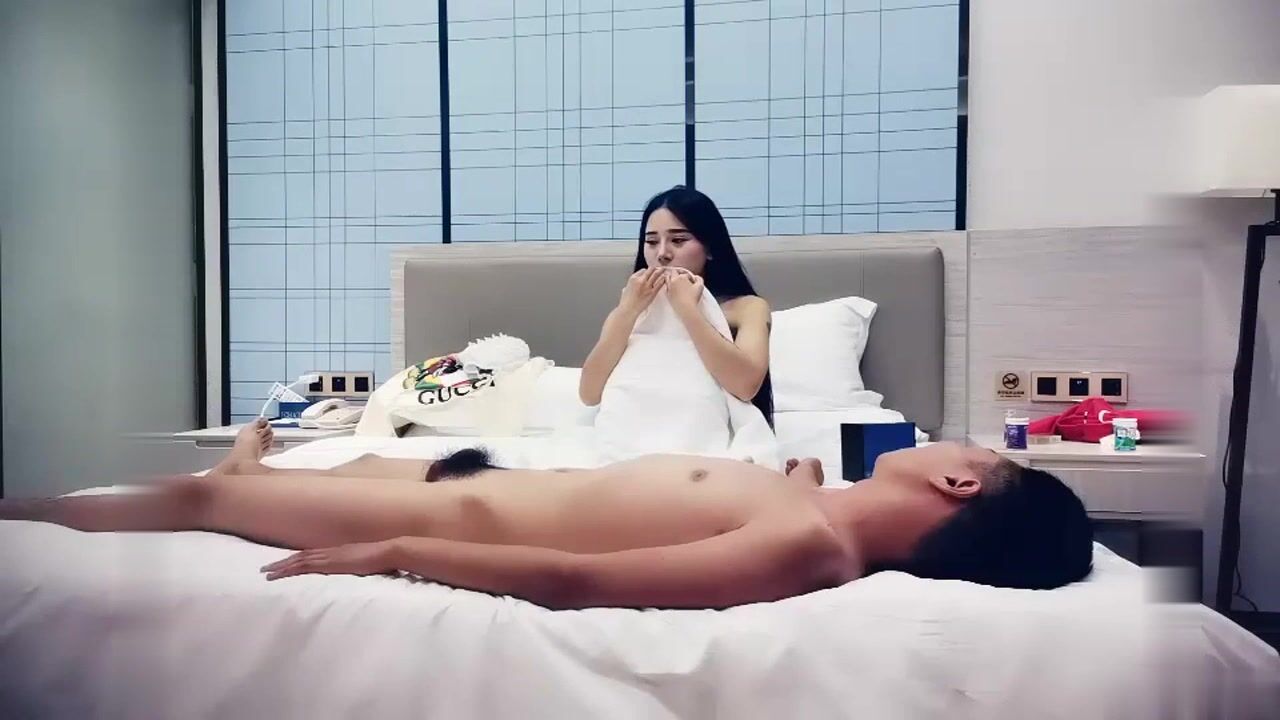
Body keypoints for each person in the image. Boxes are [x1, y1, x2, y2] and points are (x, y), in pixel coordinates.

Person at [0, 429, 1093, 610]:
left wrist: (393, 552)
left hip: (468, 512)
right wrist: (795, 470)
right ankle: (254, 462)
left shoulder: (810, 546)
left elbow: (577, 582)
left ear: (960, 489)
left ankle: (29, 510)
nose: (955, 443)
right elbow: (758, 497)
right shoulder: (816, 508)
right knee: (341, 459)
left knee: (205, 501)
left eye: (974, 452)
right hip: (485, 476)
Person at [579, 186, 775, 425]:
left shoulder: (747, 308)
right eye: (651, 242)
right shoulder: (629, 312)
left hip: (703, 430)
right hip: (632, 428)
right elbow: (589, 394)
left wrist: (688, 309)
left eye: (678, 240)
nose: (662, 253)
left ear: (710, 248)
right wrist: (627, 311)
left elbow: (745, 386)